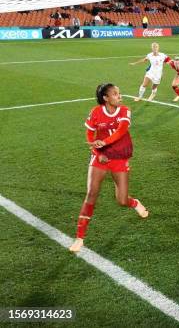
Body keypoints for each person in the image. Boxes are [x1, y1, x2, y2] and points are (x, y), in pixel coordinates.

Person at [69, 83, 149, 253]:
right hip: (101, 157)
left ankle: (134, 203)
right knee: (91, 194)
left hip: (120, 157)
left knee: (122, 200)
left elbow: (122, 130)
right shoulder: (95, 112)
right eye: (115, 94)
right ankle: (79, 238)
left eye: (119, 93)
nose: (119, 96)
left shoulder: (124, 110)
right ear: (105, 98)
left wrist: (104, 142)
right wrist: (97, 152)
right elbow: (90, 135)